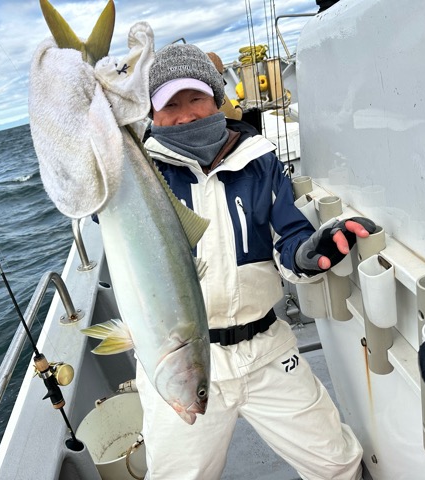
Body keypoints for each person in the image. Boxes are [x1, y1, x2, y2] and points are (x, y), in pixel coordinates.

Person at [137, 42, 374, 480]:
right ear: (151, 114)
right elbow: (92, 196)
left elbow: (290, 238)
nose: (185, 115)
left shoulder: (259, 159)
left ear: (216, 98)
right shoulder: (141, 174)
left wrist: (311, 253)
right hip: (182, 360)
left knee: (337, 463)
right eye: (170, 104)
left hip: (266, 348)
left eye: (195, 98)